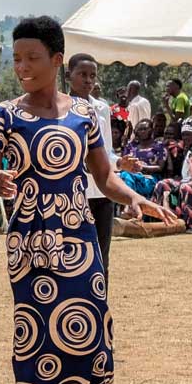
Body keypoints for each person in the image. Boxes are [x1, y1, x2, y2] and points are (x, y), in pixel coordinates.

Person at [0, 16, 176, 384]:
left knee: (91, 335)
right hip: (29, 241)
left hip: (79, 238)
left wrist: (135, 197)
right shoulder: (3, 115)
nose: (22, 66)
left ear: (57, 59)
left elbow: (103, 177)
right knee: (35, 337)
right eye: (17, 58)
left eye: (32, 57)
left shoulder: (83, 115)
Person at [67, 54, 123, 270]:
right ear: (68, 76)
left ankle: (101, 304)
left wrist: (120, 163)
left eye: (92, 76)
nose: (88, 80)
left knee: (101, 256)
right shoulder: (59, 109)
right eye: (82, 74)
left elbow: (106, 153)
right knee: (74, 256)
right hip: (74, 194)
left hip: (102, 194)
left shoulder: (102, 109)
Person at [153, 117, 192, 232]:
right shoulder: (189, 148)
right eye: (184, 135)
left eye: (189, 134)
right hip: (187, 180)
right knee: (163, 184)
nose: (186, 137)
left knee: (187, 187)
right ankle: (163, 220)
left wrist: (185, 182)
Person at [120, 118, 166, 196]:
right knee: (123, 176)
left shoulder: (159, 146)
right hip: (131, 175)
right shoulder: (131, 146)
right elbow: (123, 163)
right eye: (140, 129)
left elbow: (160, 167)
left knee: (126, 177)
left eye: (145, 129)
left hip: (149, 178)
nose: (142, 131)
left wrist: (142, 167)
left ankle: (127, 203)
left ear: (151, 130)